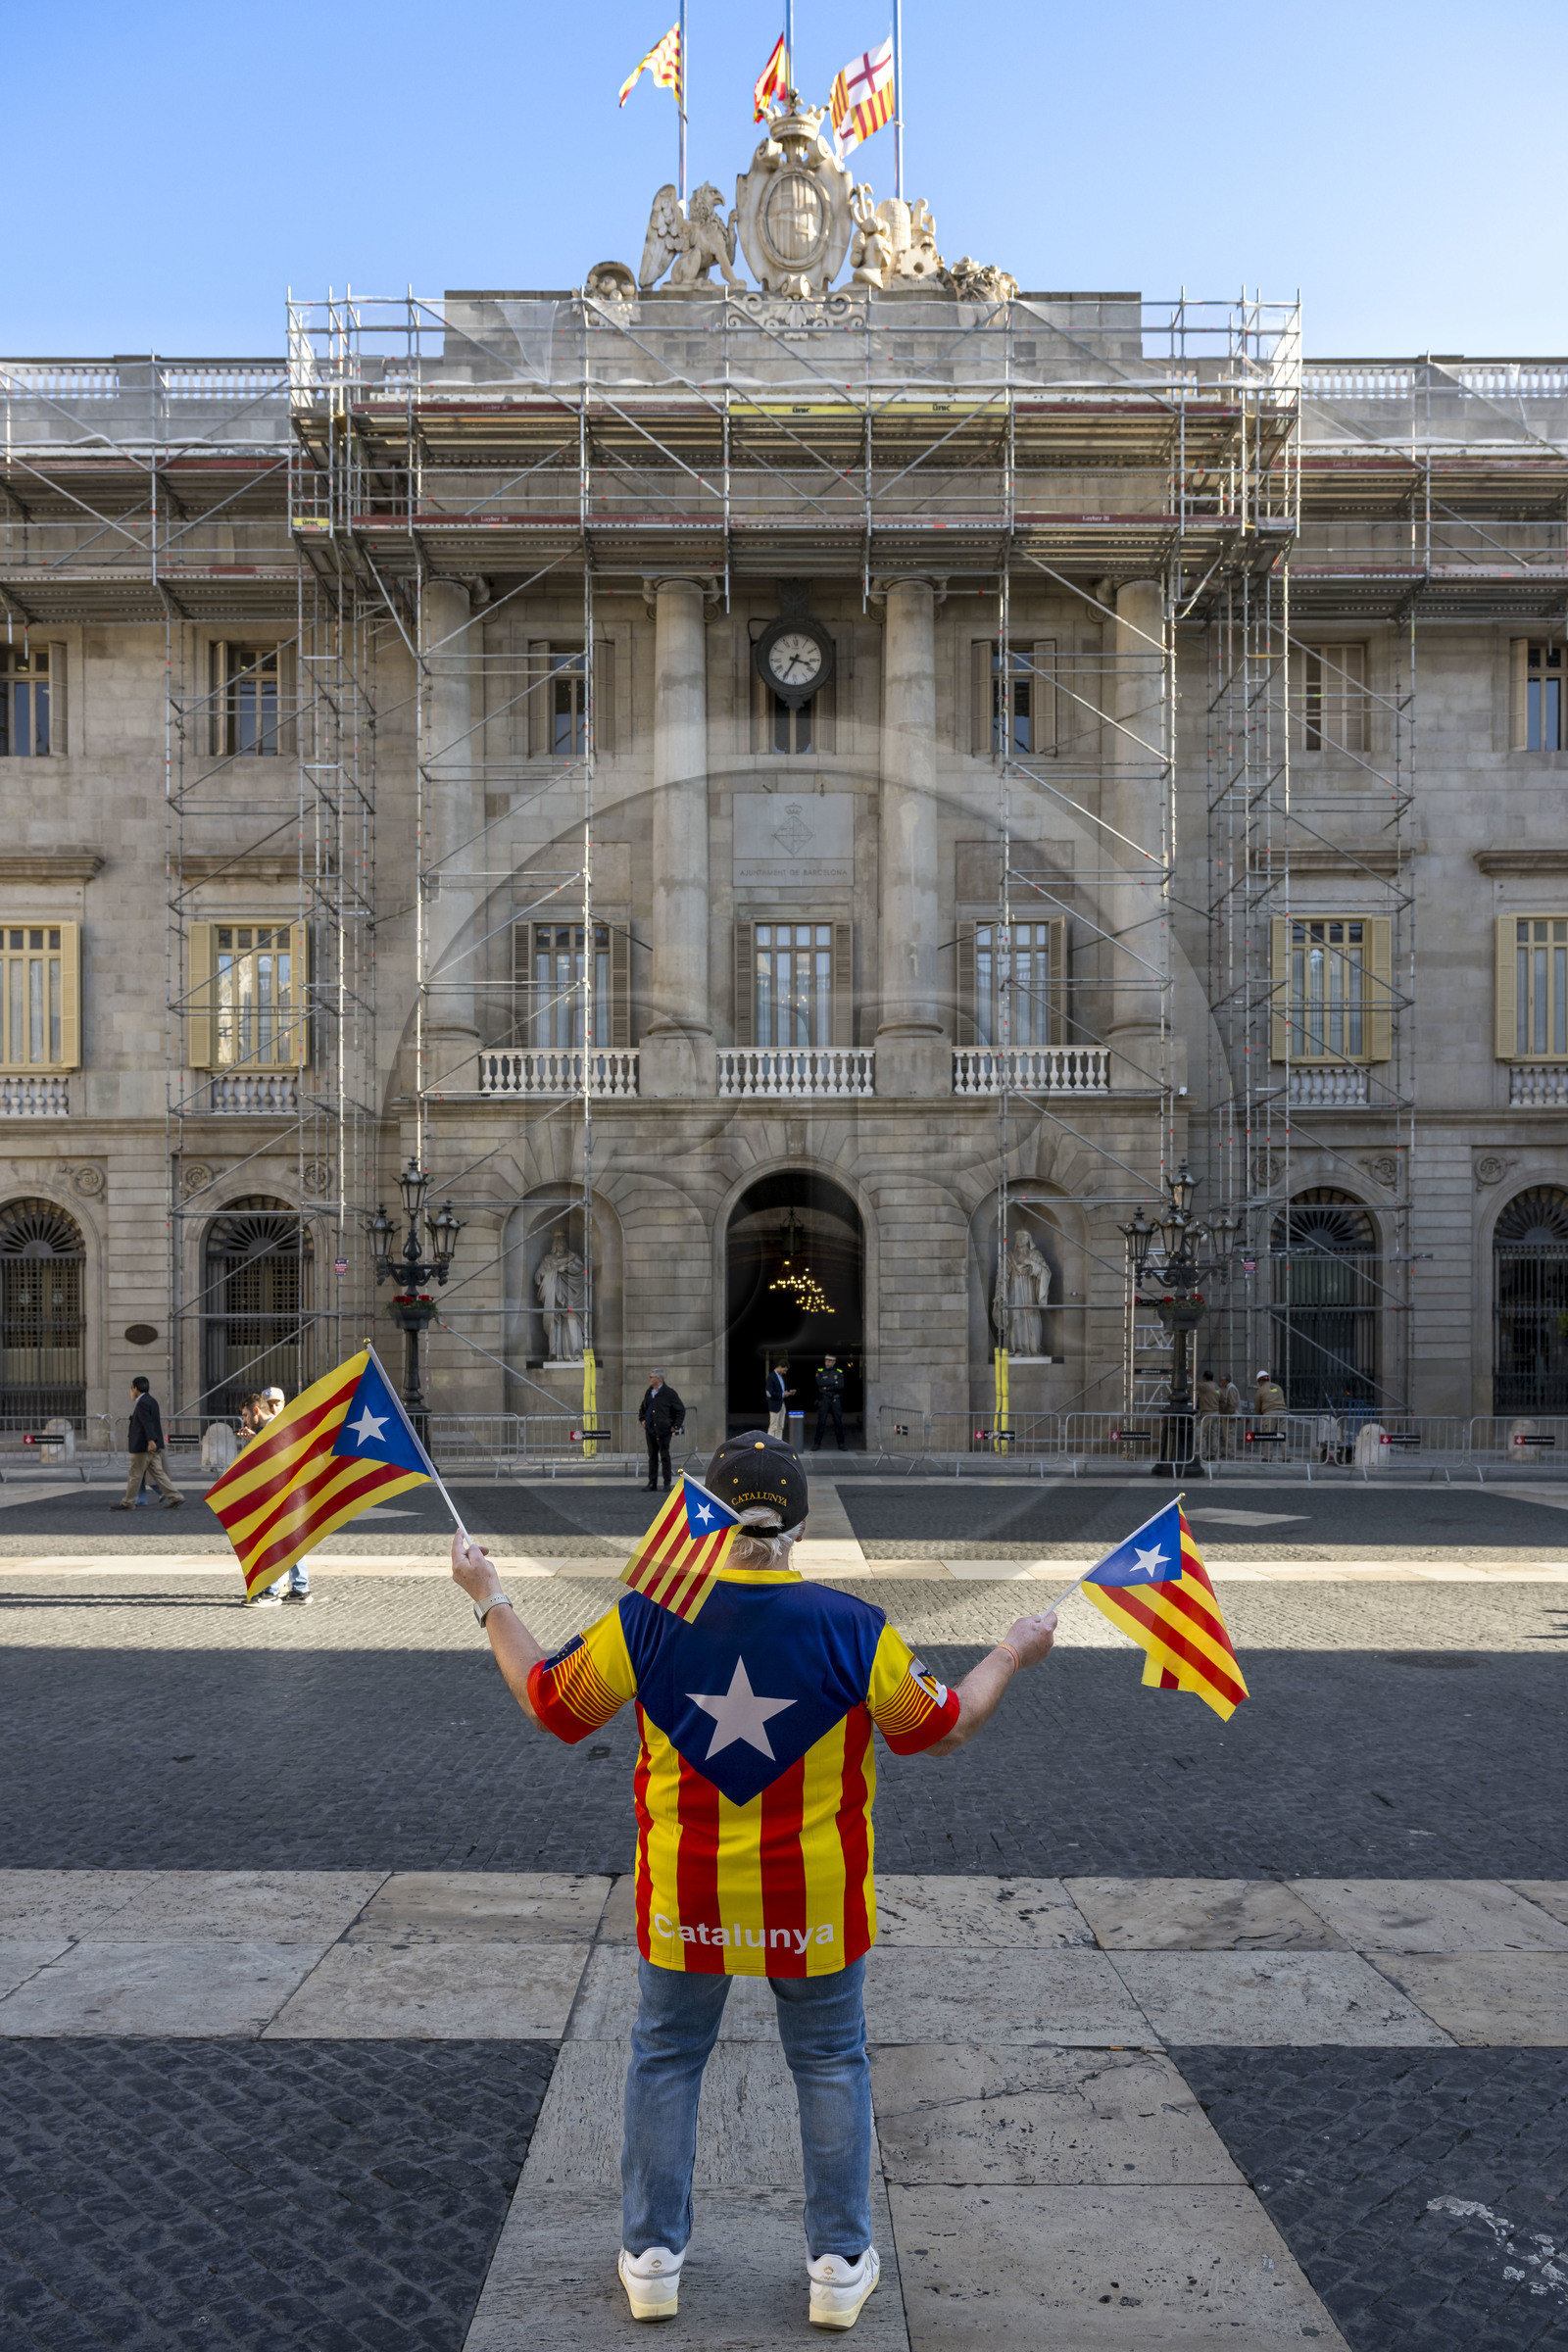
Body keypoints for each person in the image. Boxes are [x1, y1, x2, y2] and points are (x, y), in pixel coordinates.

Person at [448, 1430, 1057, 2332]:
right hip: (815, 1902)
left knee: (666, 2058)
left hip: (684, 1896)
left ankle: (652, 2258)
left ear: (706, 1520)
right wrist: (1010, 1649)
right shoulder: (854, 1627)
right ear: (801, 1528)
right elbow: (946, 1727)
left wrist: (490, 1596)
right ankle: (839, 2264)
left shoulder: (647, 1620)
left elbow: (549, 1701)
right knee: (830, 2063)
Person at [243, 1385, 314, 1607]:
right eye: (270, 1404)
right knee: (290, 1541)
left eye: (277, 1403)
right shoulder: (273, 1428)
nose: (274, 1408)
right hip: (290, 1492)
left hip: (283, 1493)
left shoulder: (280, 1426)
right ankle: (300, 1589)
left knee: (274, 1540)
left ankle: (272, 1591)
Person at [110, 1376, 183, 1511]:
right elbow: (149, 1420)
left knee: (135, 1474)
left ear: (135, 1388)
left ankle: (128, 1503)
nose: (131, 1392)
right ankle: (176, 1496)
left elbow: (147, 1423)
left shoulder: (142, 1403)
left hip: (143, 1446)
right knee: (158, 1473)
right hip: (152, 1445)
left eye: (131, 1389)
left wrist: (150, 1441)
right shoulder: (151, 1400)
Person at [638, 1369, 686, 1492]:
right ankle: (652, 1483)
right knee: (652, 1456)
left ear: (658, 1379)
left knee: (664, 1456)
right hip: (650, 1430)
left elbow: (680, 1410)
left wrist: (675, 1426)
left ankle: (666, 1483)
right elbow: (643, 1407)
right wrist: (642, 1419)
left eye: (651, 1377)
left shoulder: (669, 1393)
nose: (649, 1379)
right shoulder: (649, 1392)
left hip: (663, 1430)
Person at [812, 1354, 847, 1453]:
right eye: (827, 1361)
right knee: (821, 1422)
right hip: (824, 1400)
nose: (828, 1363)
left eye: (830, 1362)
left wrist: (827, 1387)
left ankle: (841, 1444)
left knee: (838, 1422)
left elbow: (840, 1385)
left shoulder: (838, 1372)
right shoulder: (820, 1371)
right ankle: (816, 1444)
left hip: (835, 1400)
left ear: (834, 1362)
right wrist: (833, 1383)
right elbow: (820, 1383)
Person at [765, 1358, 794, 1440]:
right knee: (773, 1426)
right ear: (780, 1367)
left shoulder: (780, 1377)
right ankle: (769, 1443)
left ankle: (778, 1442)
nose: (785, 1372)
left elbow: (780, 1390)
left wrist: (788, 1392)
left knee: (780, 1426)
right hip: (774, 1404)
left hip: (781, 1403)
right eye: (784, 1370)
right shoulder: (771, 1377)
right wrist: (782, 1394)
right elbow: (769, 1393)